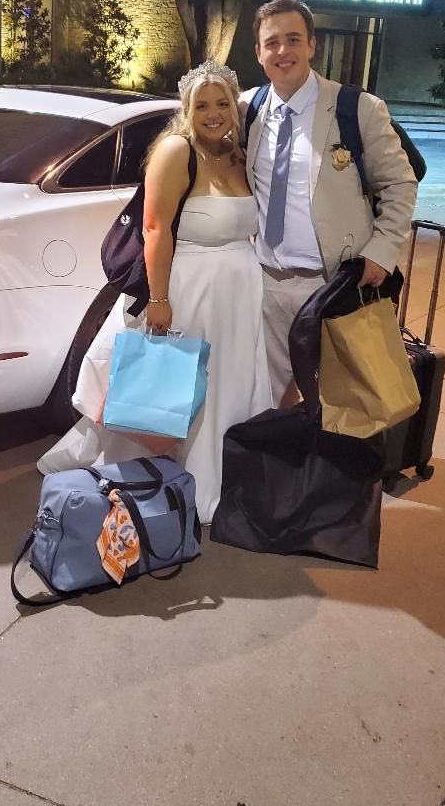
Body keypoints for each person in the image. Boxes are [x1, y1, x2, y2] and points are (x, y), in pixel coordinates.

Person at [38, 62, 272, 523]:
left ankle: (223, 474)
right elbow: (154, 227)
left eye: (222, 103)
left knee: (227, 383)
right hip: (189, 288)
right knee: (177, 386)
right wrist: (160, 300)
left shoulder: (238, 155)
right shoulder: (174, 150)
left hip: (238, 294)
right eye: (201, 104)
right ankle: (174, 477)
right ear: (186, 108)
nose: (213, 113)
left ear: (234, 107)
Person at [242, 0, 418, 408]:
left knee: (344, 402)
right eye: (272, 42)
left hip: (335, 283)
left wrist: (380, 252)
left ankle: (340, 472)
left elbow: (400, 184)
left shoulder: (356, 108)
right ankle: (287, 470)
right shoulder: (246, 109)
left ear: (312, 45)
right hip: (265, 281)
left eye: (293, 39)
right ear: (259, 52)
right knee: (267, 398)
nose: (282, 51)